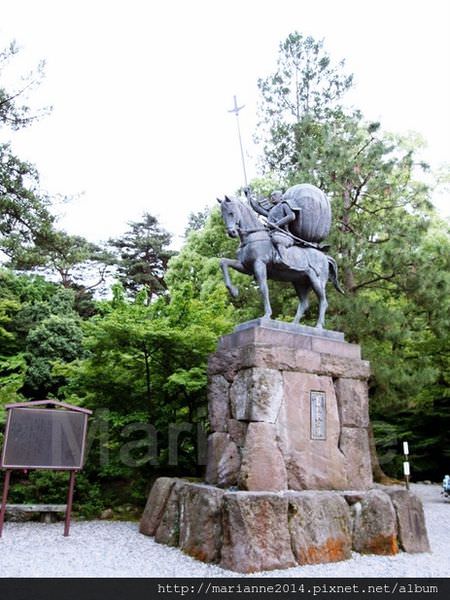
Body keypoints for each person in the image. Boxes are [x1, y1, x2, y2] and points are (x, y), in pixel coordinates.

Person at [246, 188, 298, 266]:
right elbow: (257, 208)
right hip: (271, 233)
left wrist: (277, 224)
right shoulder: (271, 210)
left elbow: (291, 216)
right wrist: (248, 195)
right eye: (271, 196)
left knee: (276, 239)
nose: (272, 197)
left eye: (274, 195)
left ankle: (284, 259)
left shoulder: (284, 204)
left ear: (281, 197)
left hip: (283, 234)